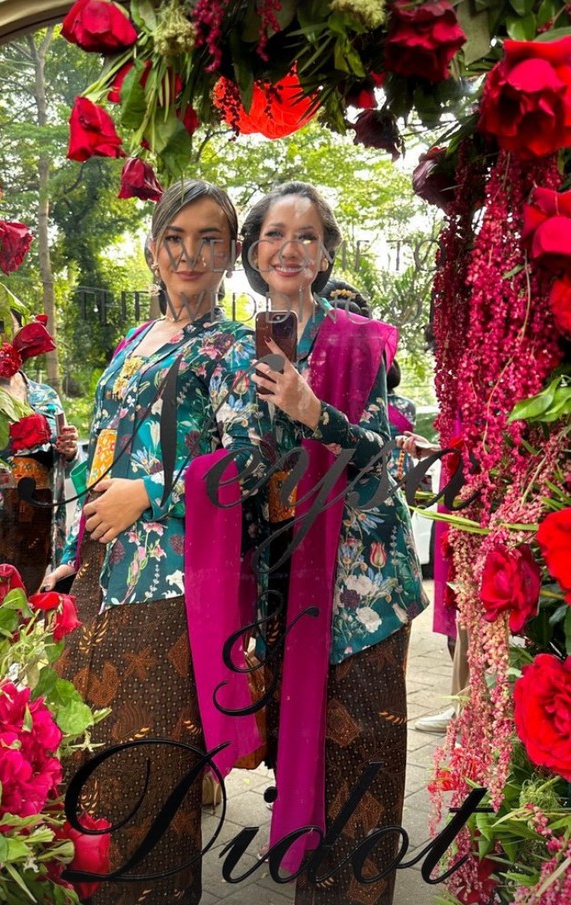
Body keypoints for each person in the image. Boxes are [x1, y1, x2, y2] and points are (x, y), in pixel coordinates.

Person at [43, 180, 266, 905]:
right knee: (91, 778)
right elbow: (105, 447)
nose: (190, 253)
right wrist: (81, 545)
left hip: (167, 593)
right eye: (176, 236)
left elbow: (256, 461)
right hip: (100, 584)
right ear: (153, 247)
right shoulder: (133, 341)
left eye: (210, 238)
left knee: (149, 790)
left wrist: (154, 489)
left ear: (231, 253)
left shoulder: (236, 347)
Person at [242, 182, 428, 905]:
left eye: (307, 235)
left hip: (364, 592)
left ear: (323, 255)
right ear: (253, 252)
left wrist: (313, 410)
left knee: (368, 761)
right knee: (307, 764)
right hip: (286, 590)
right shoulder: (238, 346)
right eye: (274, 234)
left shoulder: (359, 341)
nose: (290, 247)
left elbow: (382, 450)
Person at [0, 305, 79, 595]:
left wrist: (69, 451)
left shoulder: (45, 396)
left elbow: (65, 464)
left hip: (33, 540)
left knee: (25, 622)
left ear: (20, 335)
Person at [396, 432, 469, 733]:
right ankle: (462, 707)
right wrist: (433, 451)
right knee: (461, 614)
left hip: (469, 502)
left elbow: (482, 451)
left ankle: (468, 711)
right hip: (455, 501)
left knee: (471, 614)